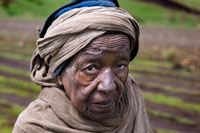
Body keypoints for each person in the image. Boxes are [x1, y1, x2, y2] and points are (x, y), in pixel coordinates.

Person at [13, 0, 152, 132]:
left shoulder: (130, 97)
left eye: (120, 65)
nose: (108, 86)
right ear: (59, 73)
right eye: (90, 68)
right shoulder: (34, 127)